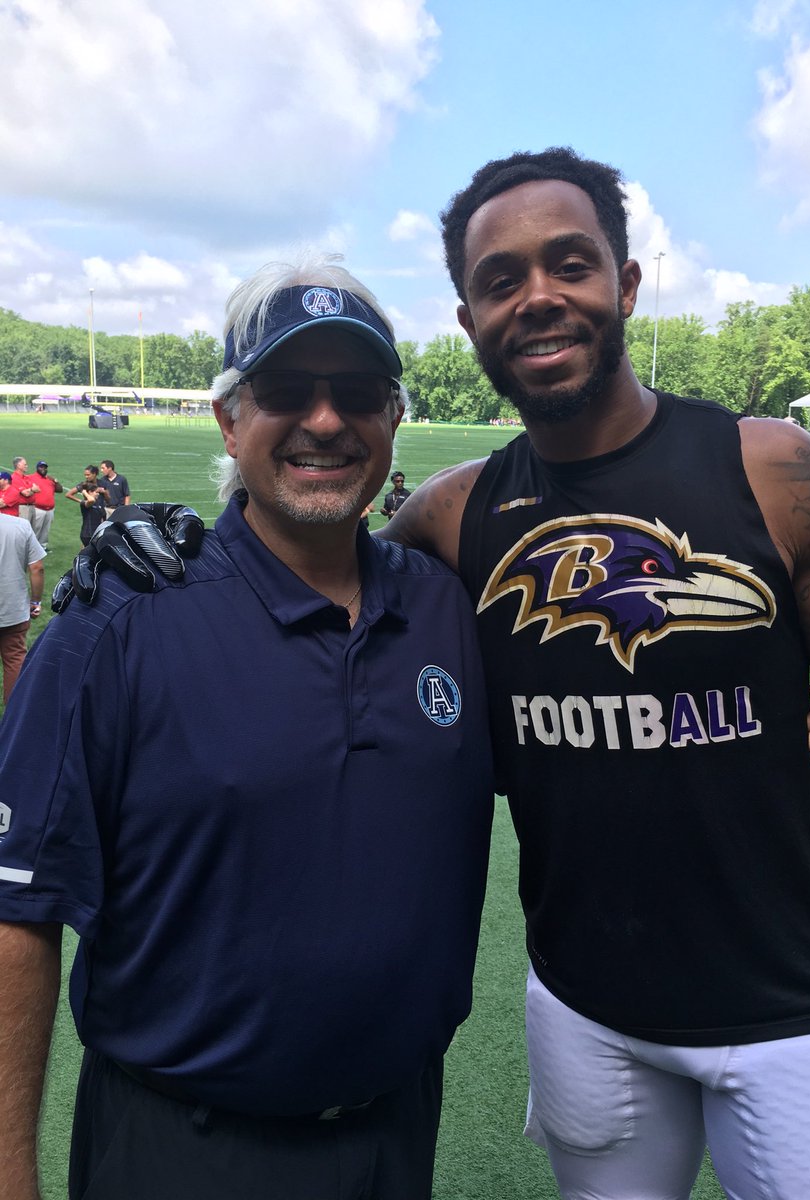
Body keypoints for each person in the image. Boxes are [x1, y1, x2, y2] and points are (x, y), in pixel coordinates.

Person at [55, 155, 810, 1199]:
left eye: (569, 262)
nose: (326, 421)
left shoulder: (759, 466)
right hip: (575, 1013)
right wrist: (172, 543)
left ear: (627, 282)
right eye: (499, 280)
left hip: (772, 1008)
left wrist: (749, 725)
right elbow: (302, 566)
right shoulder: (450, 519)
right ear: (471, 320)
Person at [0, 256, 493, 1200]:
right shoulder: (117, 621)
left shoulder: (445, 612)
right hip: (181, 1149)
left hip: (396, 1135)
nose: (323, 421)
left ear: (394, 416)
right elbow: (18, 905)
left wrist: (767, 738)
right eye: (283, 391)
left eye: (356, 393)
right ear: (229, 416)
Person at [0, 515, 44, 704]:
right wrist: (36, 601)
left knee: (15, 659)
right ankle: (13, 716)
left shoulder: (21, 525)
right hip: (13, 609)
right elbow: (37, 568)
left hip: (13, 610)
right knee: (15, 660)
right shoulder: (19, 526)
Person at [65, 466, 106, 547]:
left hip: (99, 510)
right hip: (89, 508)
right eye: (85, 475)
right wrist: (82, 501)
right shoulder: (84, 485)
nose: (86, 477)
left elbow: (108, 497)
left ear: (94, 474)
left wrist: (104, 492)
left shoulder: (101, 483)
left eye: (88, 475)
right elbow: (68, 494)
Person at [27, 461, 63, 551]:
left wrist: (55, 481)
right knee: (36, 530)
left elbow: (60, 490)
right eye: (41, 467)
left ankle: (42, 547)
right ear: (37, 468)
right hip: (38, 509)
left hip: (50, 510)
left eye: (45, 467)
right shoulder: (30, 478)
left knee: (45, 531)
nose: (43, 469)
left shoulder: (49, 480)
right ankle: (32, 548)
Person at [8, 458, 39, 528]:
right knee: (23, 530)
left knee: (31, 532)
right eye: (25, 464)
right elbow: (26, 493)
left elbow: (37, 489)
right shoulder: (14, 478)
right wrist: (32, 490)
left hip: (31, 507)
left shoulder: (26, 477)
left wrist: (31, 490)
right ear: (18, 465)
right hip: (23, 508)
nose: (27, 466)